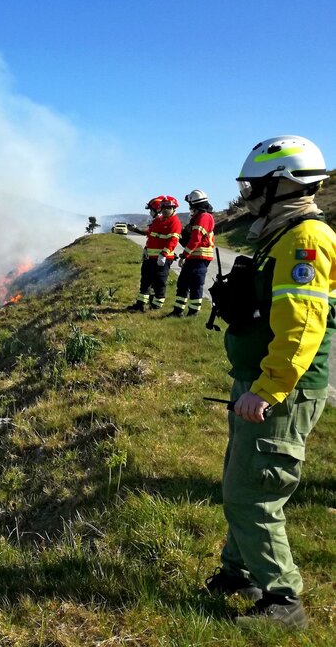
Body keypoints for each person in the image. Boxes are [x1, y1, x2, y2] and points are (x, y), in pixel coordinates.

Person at [205, 135, 334, 629]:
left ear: (283, 184)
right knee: (241, 481)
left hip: (281, 391)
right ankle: (241, 573)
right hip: (258, 383)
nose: (248, 195)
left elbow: (302, 325)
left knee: (254, 493)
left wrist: (269, 388)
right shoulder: (280, 234)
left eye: (256, 186)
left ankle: (284, 602)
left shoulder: (305, 239)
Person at [128, 195, 181, 311]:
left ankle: (156, 306)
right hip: (150, 257)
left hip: (162, 259)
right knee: (145, 281)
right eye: (164, 207)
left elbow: (173, 240)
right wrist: (146, 249)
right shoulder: (158, 221)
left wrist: (164, 254)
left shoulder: (175, 222)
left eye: (169, 208)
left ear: (174, 209)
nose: (166, 210)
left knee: (159, 282)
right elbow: (150, 236)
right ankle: (140, 304)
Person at [170, 189, 216, 317]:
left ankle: (193, 313)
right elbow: (190, 239)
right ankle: (177, 311)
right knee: (183, 284)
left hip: (200, 257)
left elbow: (196, 239)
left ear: (194, 204)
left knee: (195, 285)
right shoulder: (198, 217)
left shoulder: (204, 217)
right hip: (193, 256)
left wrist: (184, 255)